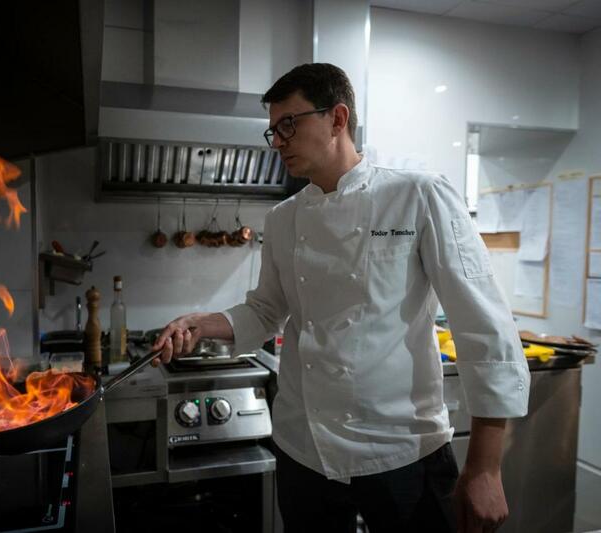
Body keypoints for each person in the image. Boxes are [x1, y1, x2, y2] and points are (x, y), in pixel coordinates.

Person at [151, 63, 530, 533]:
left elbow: (484, 323)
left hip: (401, 450)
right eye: (273, 130)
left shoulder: (418, 196)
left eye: (289, 124)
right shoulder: (284, 218)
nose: (278, 141)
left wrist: (486, 466)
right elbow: (266, 309)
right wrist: (204, 323)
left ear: (337, 118)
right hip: (303, 450)